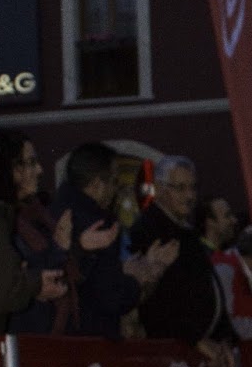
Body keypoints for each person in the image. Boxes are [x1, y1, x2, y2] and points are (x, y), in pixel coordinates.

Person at [52, 142, 175, 339]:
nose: (117, 189)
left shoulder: (53, 212)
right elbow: (111, 295)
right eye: (114, 181)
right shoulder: (98, 224)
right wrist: (141, 278)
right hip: (91, 338)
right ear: (97, 185)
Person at [128, 155, 233, 367]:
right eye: (180, 188)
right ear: (160, 188)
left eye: (193, 187)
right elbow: (158, 300)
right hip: (173, 356)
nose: (190, 196)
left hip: (202, 351)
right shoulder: (149, 229)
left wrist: (223, 337)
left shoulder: (186, 230)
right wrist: (196, 340)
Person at [0, 121, 67, 333]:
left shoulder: (38, 217)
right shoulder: (1, 221)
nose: (39, 170)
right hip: (15, 338)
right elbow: (7, 289)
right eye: (30, 162)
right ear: (10, 169)